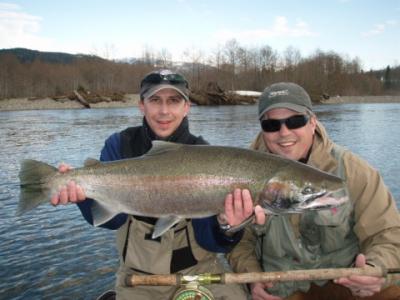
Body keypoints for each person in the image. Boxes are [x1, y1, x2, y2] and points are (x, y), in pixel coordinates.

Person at [50, 69, 252, 300]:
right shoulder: (121, 145)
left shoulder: (204, 153)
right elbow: (114, 220)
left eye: (174, 101)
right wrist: (83, 198)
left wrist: (227, 226)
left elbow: (211, 241)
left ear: (186, 107)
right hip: (138, 279)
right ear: (141, 105)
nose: (164, 111)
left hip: (198, 272)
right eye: (155, 100)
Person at [227, 82, 400, 300]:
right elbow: (239, 243)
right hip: (282, 291)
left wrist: (376, 270)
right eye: (272, 124)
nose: (284, 132)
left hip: (348, 286)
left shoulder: (355, 171)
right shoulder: (240, 175)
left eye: (295, 121)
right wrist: (251, 277)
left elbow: (387, 234)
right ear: (262, 129)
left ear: (312, 122)